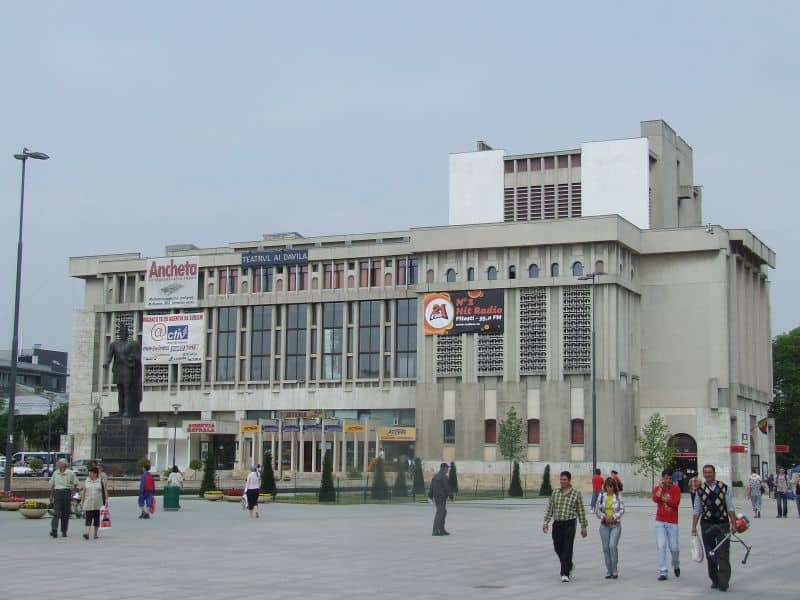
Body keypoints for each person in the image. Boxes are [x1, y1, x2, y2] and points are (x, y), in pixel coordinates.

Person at [692, 464, 738, 592]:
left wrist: (734, 524)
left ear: (714, 473)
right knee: (710, 553)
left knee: (723, 553)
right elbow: (697, 510)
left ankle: (723, 582)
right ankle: (714, 579)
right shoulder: (700, 490)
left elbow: (730, 507)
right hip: (707, 525)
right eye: (705, 472)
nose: (707, 475)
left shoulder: (724, 488)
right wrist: (693, 527)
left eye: (710, 472)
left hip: (722, 524)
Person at [543, 470, 588, 583]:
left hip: (570, 523)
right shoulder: (555, 492)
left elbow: (581, 511)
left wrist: (583, 526)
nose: (562, 482)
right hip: (557, 523)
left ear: (569, 480)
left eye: (564, 480)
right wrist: (546, 522)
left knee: (568, 547)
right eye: (561, 479)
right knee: (557, 546)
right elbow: (550, 508)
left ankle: (564, 573)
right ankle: (568, 564)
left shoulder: (576, 493)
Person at [102, 323, 142, 417]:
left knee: (127, 390)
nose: (123, 333)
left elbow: (138, 356)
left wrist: (132, 358)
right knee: (120, 391)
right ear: (119, 333)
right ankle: (121, 411)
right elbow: (109, 357)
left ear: (128, 333)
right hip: (118, 370)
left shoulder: (132, 344)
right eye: (122, 332)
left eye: (125, 332)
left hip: (128, 369)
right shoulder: (114, 345)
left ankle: (127, 411)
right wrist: (106, 363)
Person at [653, 468, 681, 581]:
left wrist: (664, 499)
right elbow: (655, 498)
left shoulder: (676, 489)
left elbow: (675, 503)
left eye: (670, 478)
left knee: (674, 547)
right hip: (660, 521)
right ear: (662, 478)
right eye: (666, 478)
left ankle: (676, 564)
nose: (668, 480)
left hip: (672, 522)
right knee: (661, 546)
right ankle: (663, 571)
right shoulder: (658, 488)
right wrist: (661, 488)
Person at [595, 477, 624, 579]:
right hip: (604, 525)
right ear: (605, 487)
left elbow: (622, 509)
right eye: (607, 486)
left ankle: (615, 569)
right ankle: (609, 570)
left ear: (614, 487)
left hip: (615, 525)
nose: (609, 488)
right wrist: (604, 517)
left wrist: (614, 517)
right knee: (606, 548)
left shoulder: (618, 496)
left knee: (612, 546)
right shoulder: (602, 496)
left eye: (611, 486)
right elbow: (597, 510)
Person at [48, 459, 78, 539]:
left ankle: (64, 531)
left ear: (64, 465)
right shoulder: (55, 472)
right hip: (57, 493)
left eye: (60, 463)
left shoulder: (70, 473)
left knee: (65, 514)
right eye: (58, 463)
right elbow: (52, 485)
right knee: (56, 513)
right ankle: (54, 529)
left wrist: (73, 493)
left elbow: (75, 483)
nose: (58, 464)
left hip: (66, 493)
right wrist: (51, 495)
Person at [80, 466, 108, 540]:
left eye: (92, 473)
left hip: (98, 503)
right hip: (88, 502)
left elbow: (105, 492)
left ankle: (95, 533)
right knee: (88, 518)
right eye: (90, 473)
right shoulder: (87, 481)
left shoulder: (101, 481)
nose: (90, 474)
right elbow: (84, 492)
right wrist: (82, 502)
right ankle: (87, 533)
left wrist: (107, 501)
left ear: (96, 474)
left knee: (96, 519)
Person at [428, 462, 453, 536]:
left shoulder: (435, 476)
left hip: (437, 497)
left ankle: (441, 529)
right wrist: (451, 495)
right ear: (443, 468)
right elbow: (447, 487)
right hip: (441, 497)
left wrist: (430, 495)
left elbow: (431, 486)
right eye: (447, 468)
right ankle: (435, 531)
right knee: (440, 513)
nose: (447, 469)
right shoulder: (443, 477)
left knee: (443, 512)